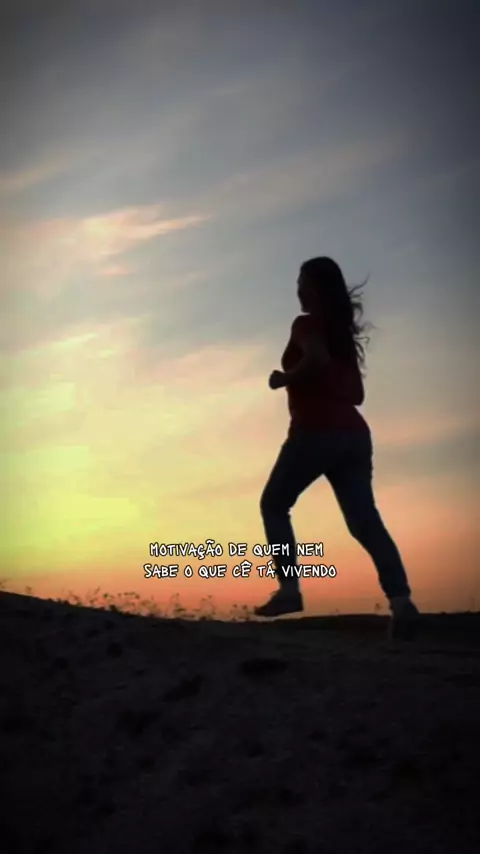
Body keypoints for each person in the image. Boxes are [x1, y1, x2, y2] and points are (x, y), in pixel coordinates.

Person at [253, 257, 420, 639]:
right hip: (354, 437)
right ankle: (401, 602)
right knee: (365, 522)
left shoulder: (307, 325)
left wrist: (286, 379)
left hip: (315, 431)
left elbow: (315, 358)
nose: (297, 289)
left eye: (301, 281)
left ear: (314, 287)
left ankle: (289, 590)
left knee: (274, 504)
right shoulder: (342, 336)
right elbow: (358, 395)